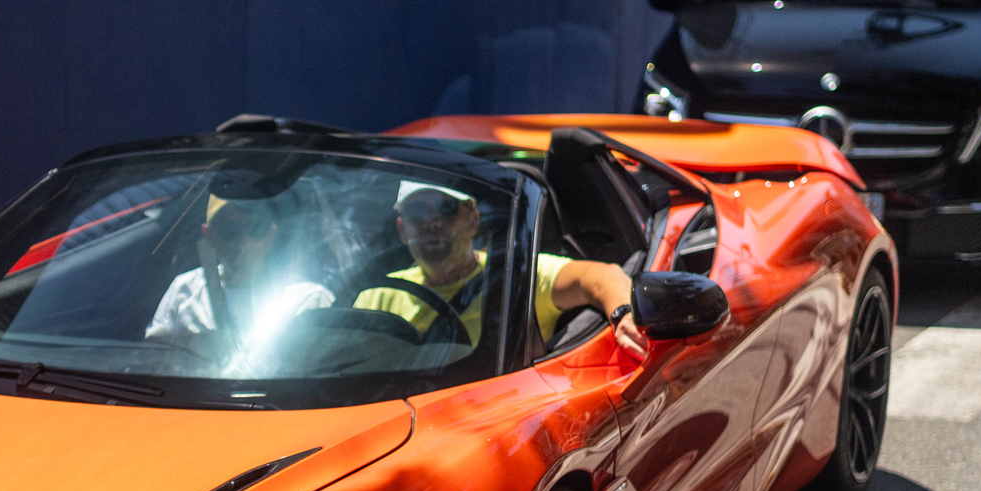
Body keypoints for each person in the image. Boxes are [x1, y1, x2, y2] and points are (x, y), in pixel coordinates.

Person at [353, 183, 645, 356]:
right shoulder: (377, 297)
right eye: (417, 213)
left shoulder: (517, 276)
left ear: (473, 221)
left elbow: (601, 276)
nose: (432, 223)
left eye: (445, 209)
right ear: (402, 230)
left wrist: (624, 314)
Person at [144, 198, 332, 367]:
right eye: (229, 230)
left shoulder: (307, 301)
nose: (243, 241)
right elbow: (153, 358)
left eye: (255, 228)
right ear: (208, 236)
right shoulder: (184, 289)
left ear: (270, 235)